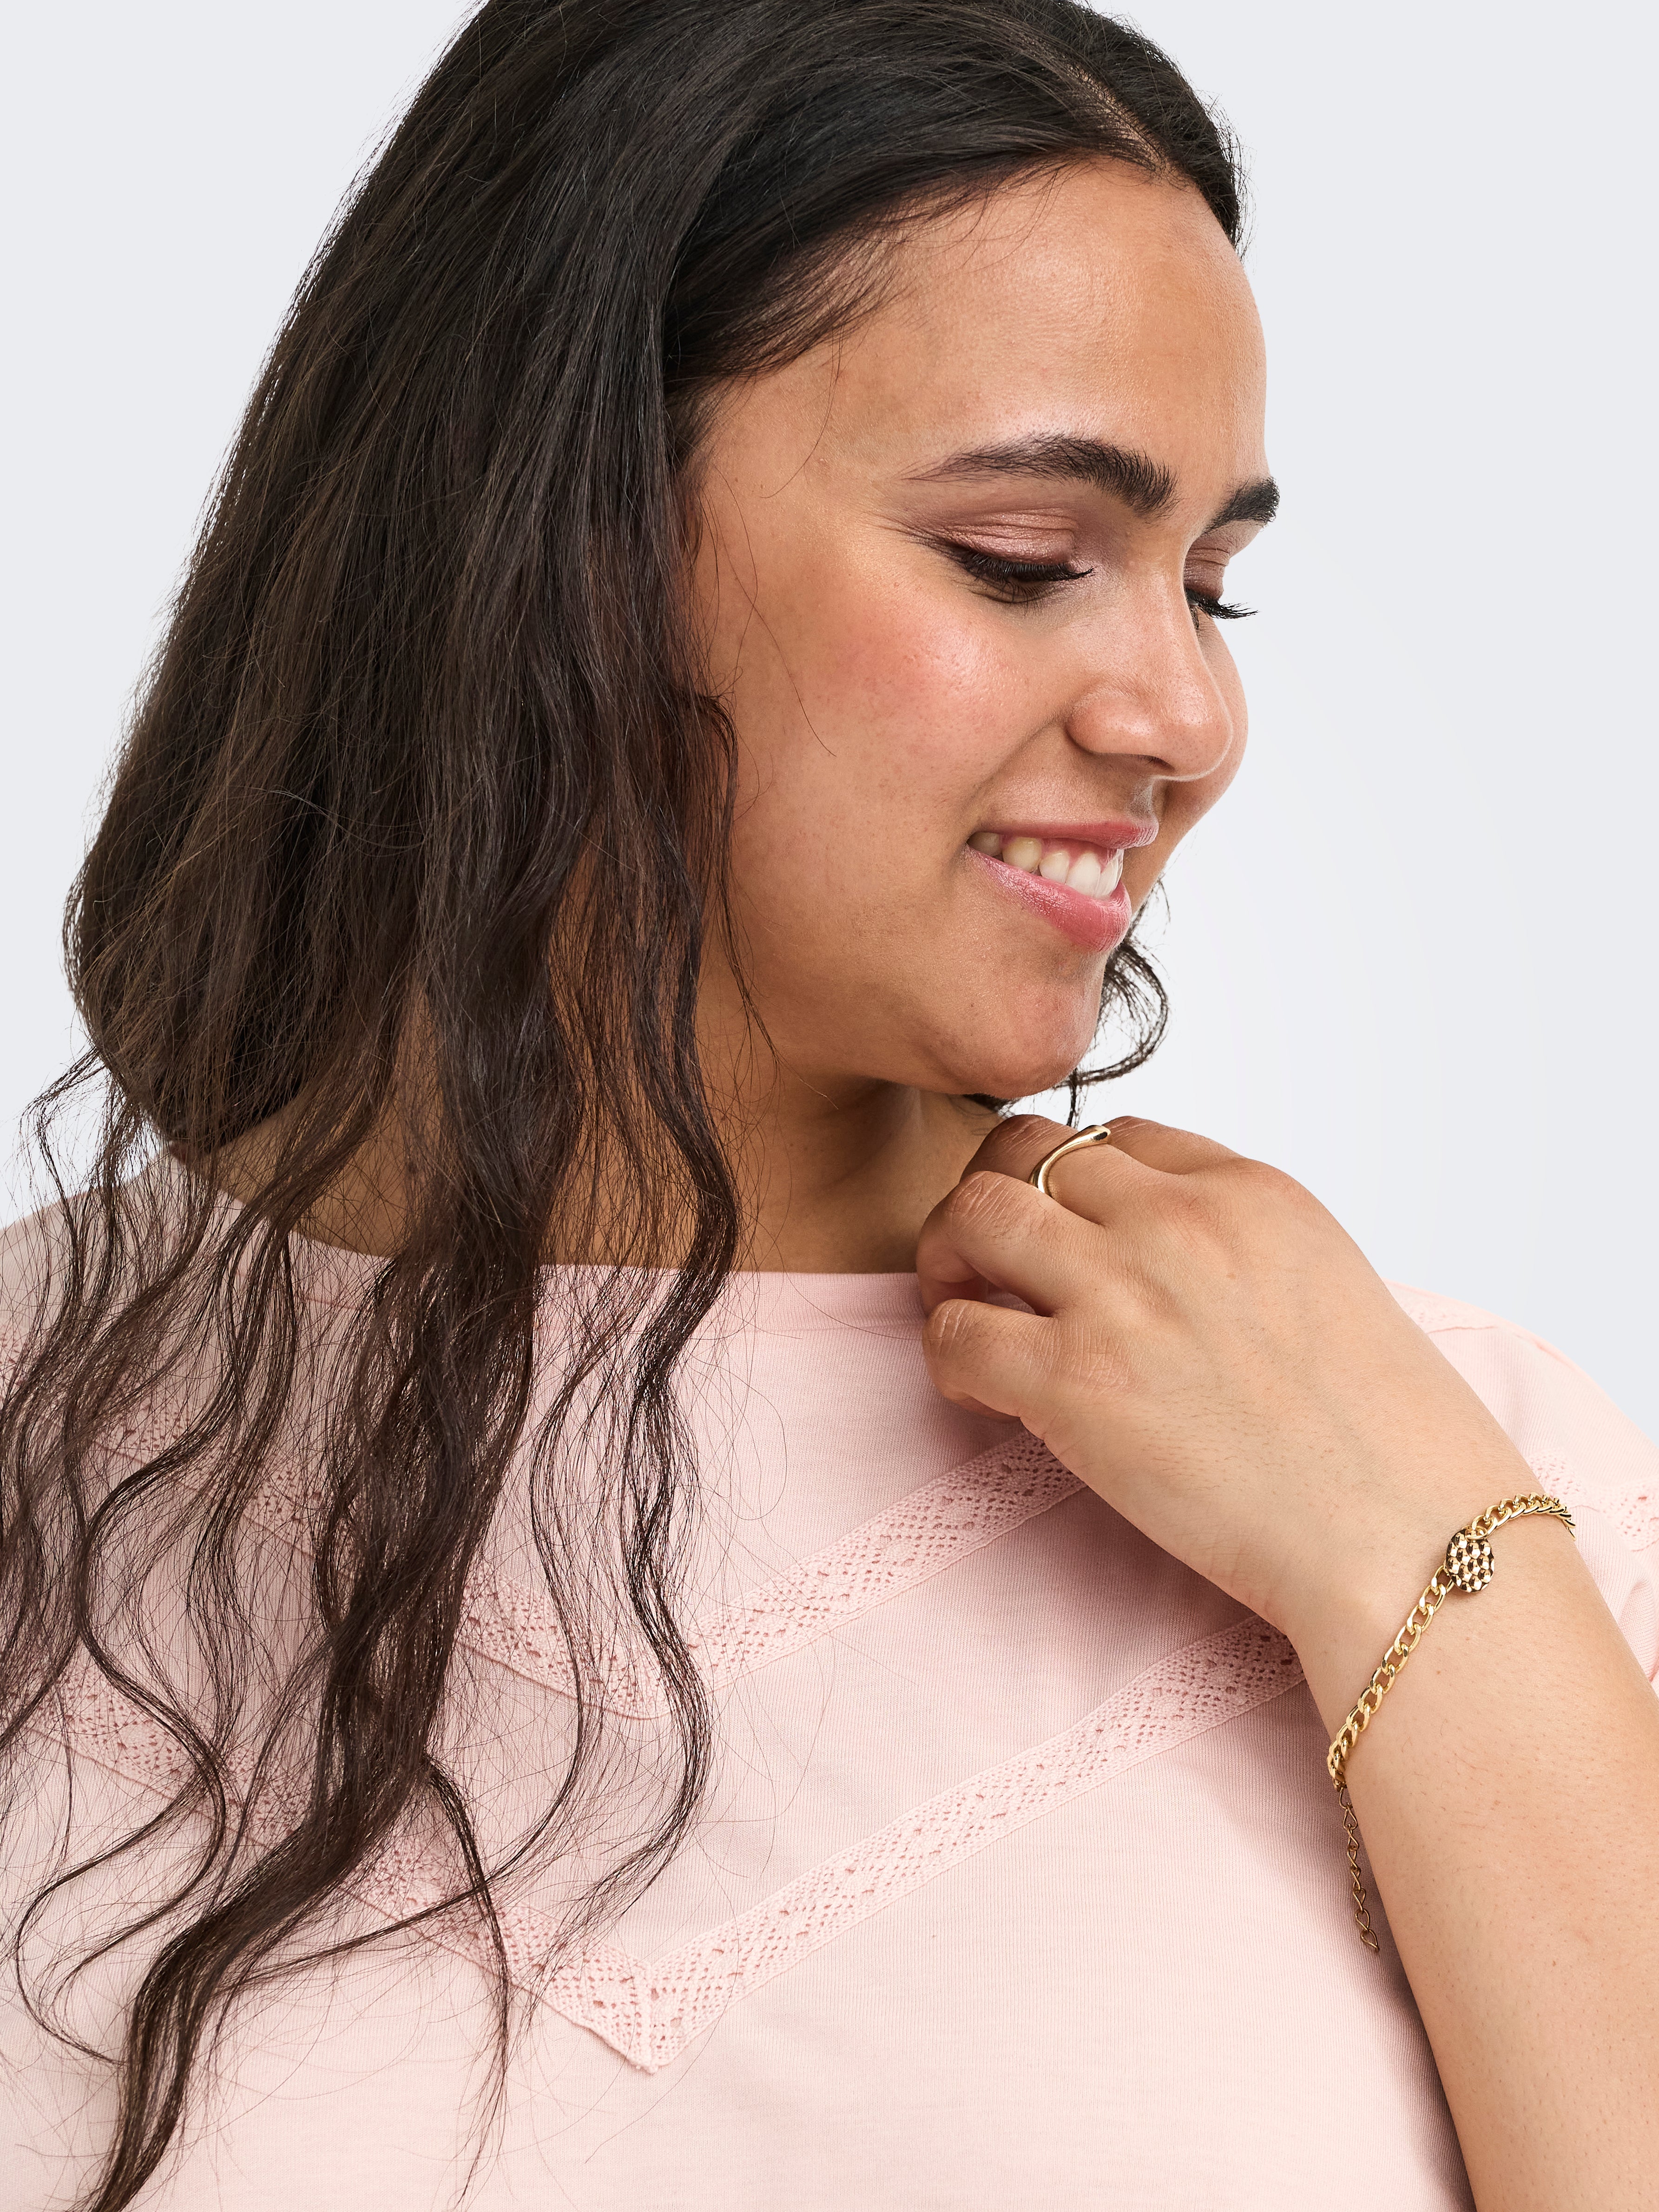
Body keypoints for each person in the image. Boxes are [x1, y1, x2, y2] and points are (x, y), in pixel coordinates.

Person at [3, 2, 1656, 2206]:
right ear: (552, 535)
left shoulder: (1452, 1467)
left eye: (1210, 584)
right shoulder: (49, 1422)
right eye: (1019, 554)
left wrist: (1420, 1569)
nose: (1185, 713)